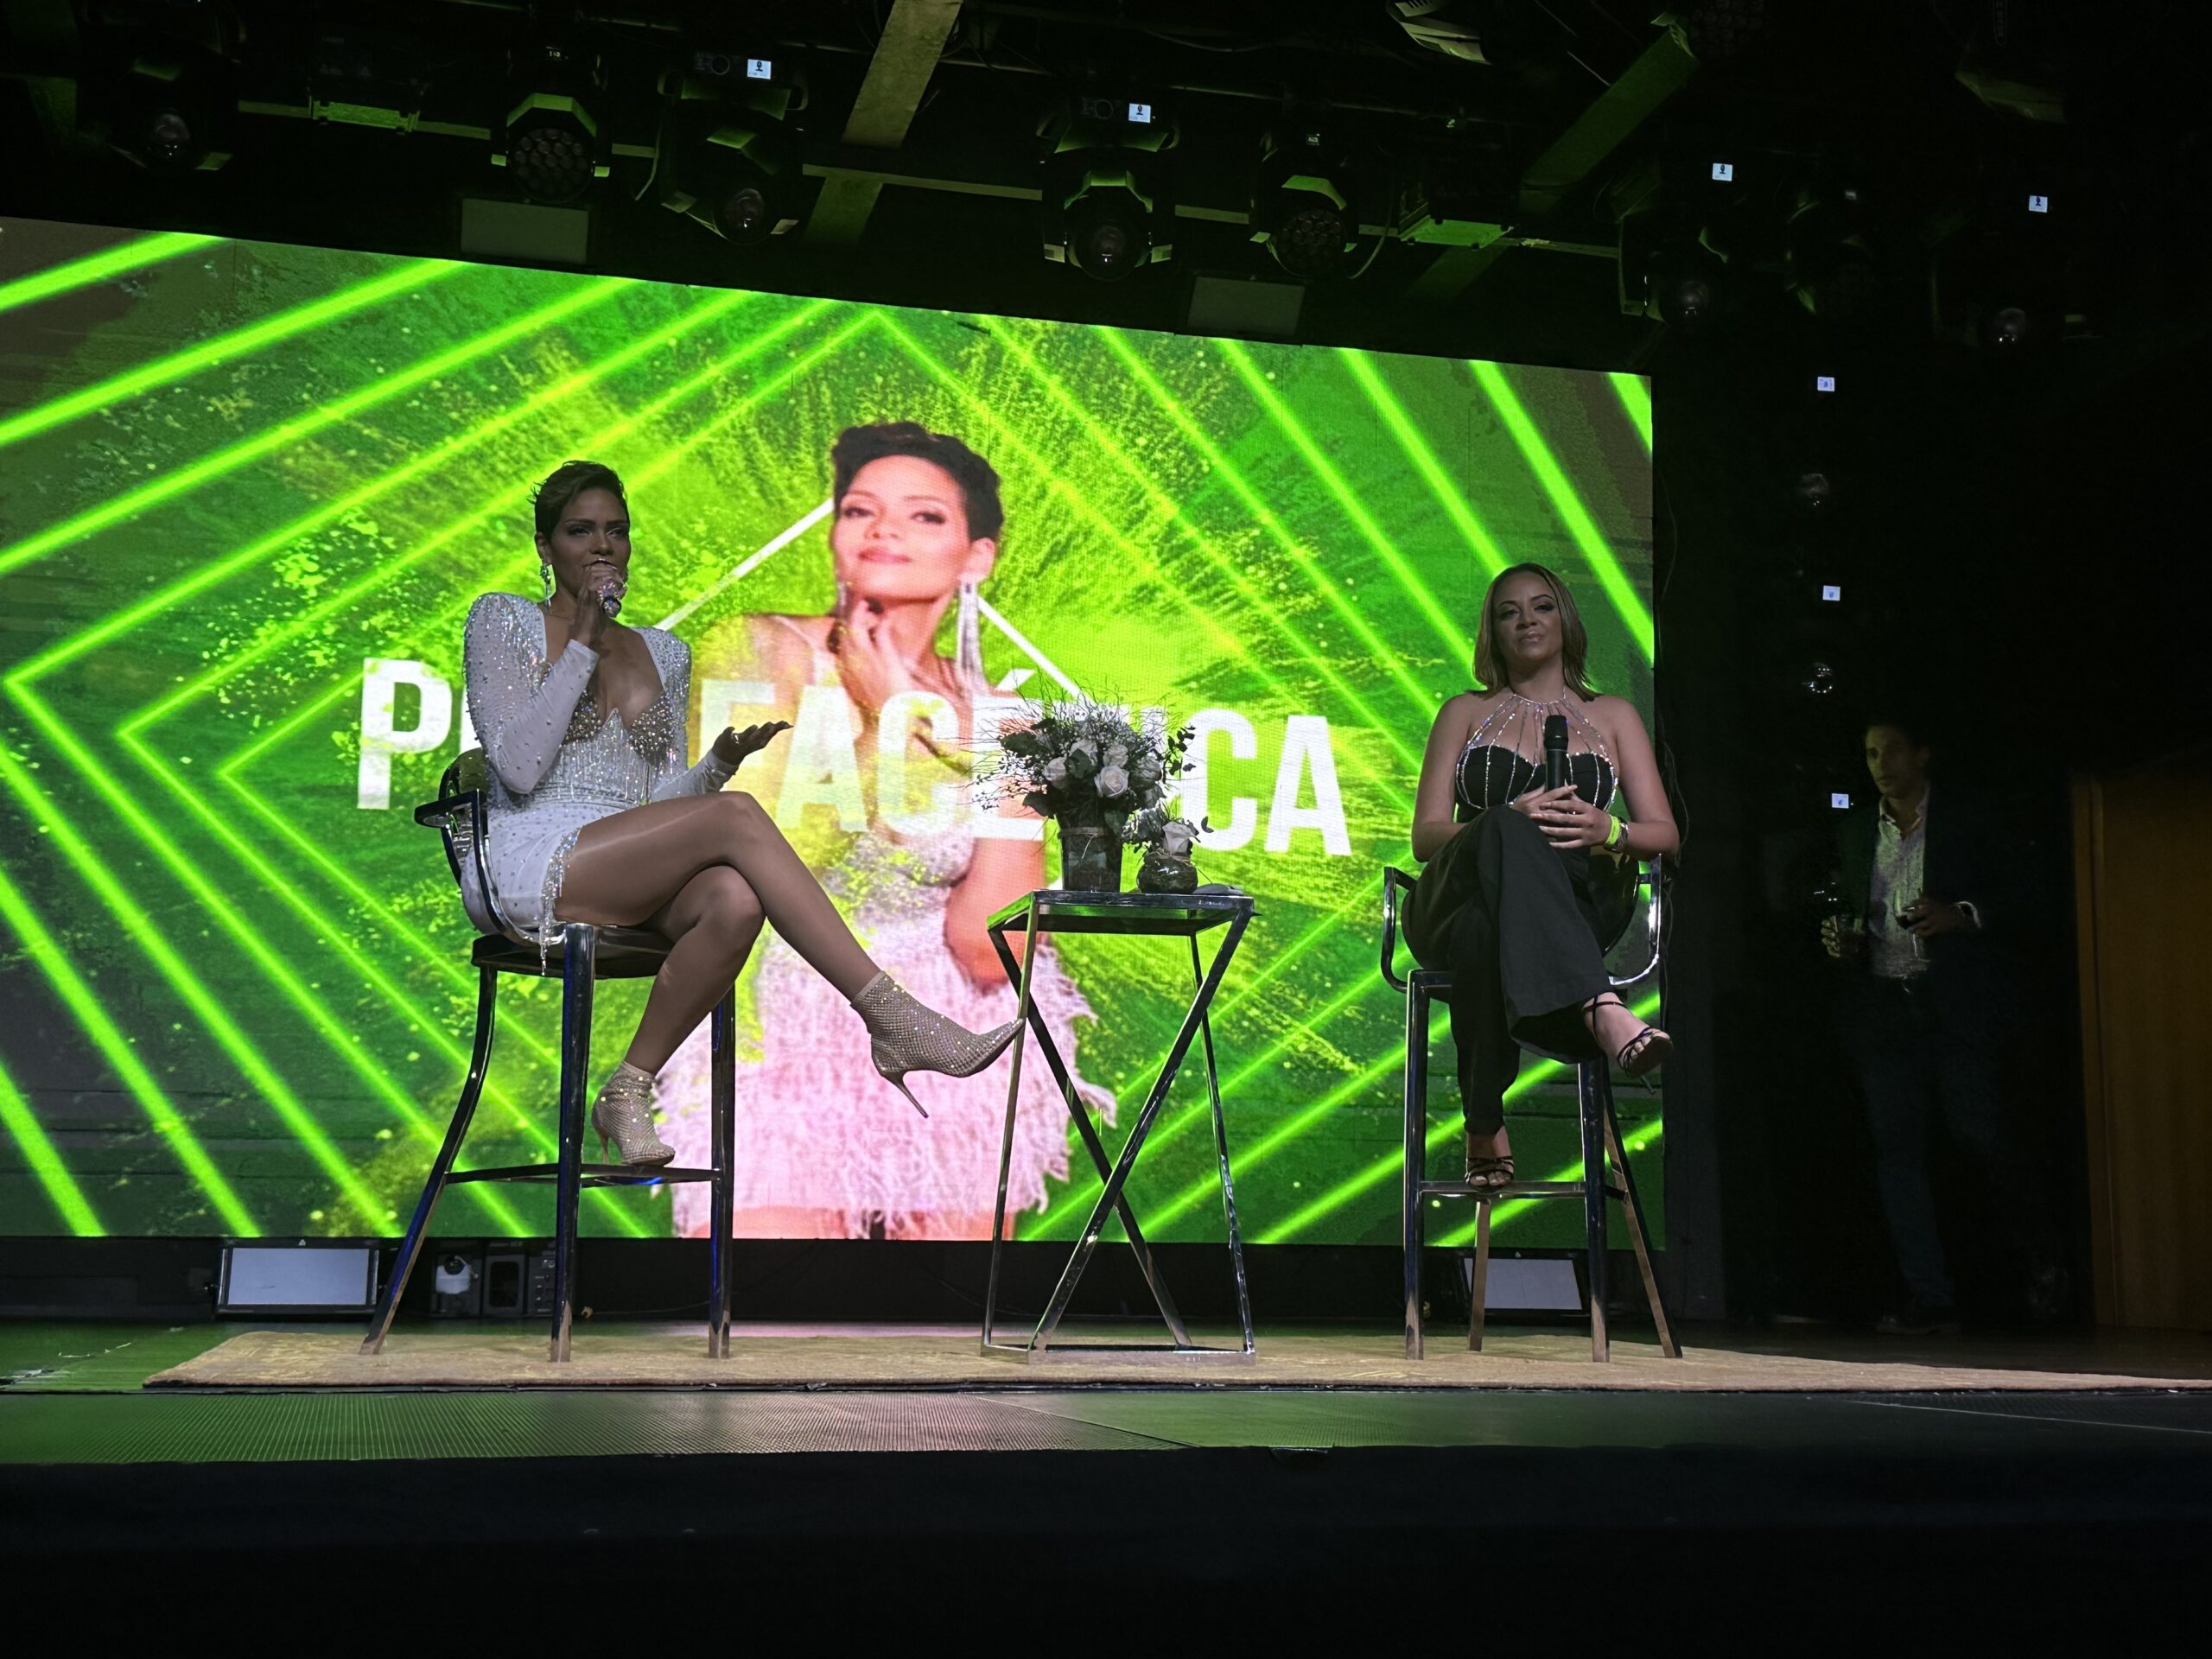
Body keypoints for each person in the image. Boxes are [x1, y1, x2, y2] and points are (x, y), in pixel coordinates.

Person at [460, 457, 1020, 1169]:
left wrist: (717, 766)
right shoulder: (502, 619)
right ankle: (892, 1017)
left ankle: (627, 1090)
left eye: (616, 531)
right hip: (531, 858)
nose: (602, 546)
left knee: (734, 896)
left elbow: (658, 806)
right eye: (580, 531)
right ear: (546, 547)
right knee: (736, 818)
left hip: (619, 860)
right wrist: (582, 648)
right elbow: (517, 768)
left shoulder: (663, 652)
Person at [658, 423, 1110, 1240]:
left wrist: (941, 729)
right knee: (768, 1300)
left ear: (977, 557)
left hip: (957, 1039)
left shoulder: (1004, 720)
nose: (884, 530)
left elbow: (990, 950)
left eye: (924, 516)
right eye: (860, 510)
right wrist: (884, 726)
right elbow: (748, 866)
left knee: (950, 1309)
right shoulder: (763, 650)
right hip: (781, 1028)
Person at [1403, 562, 1681, 1187]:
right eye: (1509, 612)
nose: (1526, 621)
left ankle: (1482, 1118)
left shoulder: (1612, 715)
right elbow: (1426, 838)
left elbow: (1664, 834)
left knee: (1485, 932)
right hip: (1453, 895)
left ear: (1565, 620)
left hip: (1572, 904)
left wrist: (1608, 829)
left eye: (1541, 606)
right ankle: (1600, 1009)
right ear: (1493, 632)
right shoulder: (1464, 712)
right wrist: (1505, 820)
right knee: (1505, 827)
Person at [1821, 715, 2047, 1333]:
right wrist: (1842, 939)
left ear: (1921, 755)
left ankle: (2033, 1264)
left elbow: (2030, 893)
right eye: (1871, 754)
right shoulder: (1854, 829)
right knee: (1897, 1152)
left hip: (1955, 1006)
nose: (1881, 764)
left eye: (1892, 751)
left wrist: (1962, 915)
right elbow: (1852, 906)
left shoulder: (1969, 819)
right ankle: (1929, 1294)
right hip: (1885, 1007)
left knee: (1978, 1134)